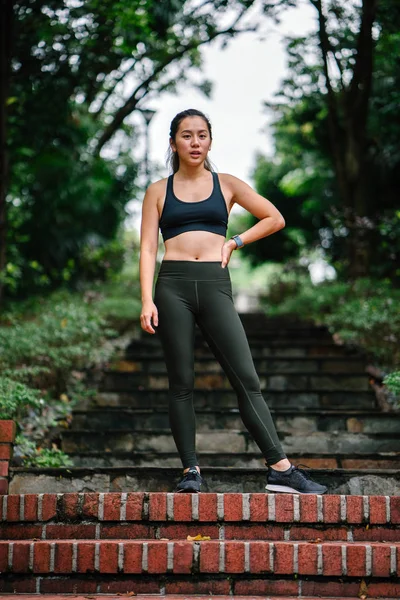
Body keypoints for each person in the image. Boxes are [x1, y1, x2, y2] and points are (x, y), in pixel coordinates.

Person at [139, 108, 327, 495]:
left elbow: (274, 218)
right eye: (187, 135)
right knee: (181, 383)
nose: (195, 142)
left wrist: (235, 241)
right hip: (171, 286)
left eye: (202, 135)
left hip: (214, 284)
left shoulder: (227, 184)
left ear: (210, 140)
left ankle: (280, 468)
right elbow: (146, 249)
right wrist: (146, 300)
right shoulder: (158, 190)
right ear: (173, 142)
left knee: (247, 378)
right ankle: (191, 471)